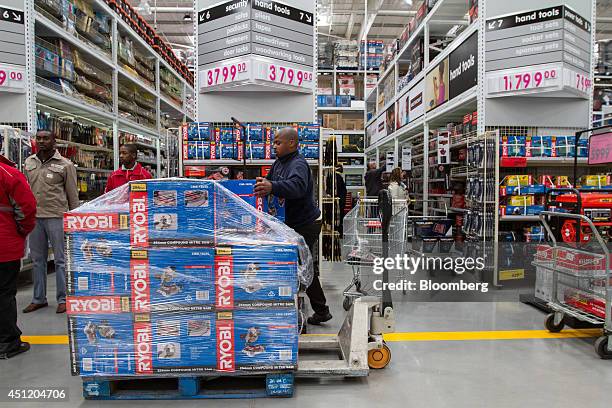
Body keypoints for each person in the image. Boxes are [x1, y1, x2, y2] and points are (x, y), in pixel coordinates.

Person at [253, 127, 331, 325]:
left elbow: (297, 187)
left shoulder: (298, 164)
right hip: (292, 223)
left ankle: (316, 309)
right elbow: (271, 181)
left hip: (307, 223)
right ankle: (318, 309)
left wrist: (273, 186)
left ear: (292, 143)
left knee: (303, 263)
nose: (274, 146)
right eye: (274, 142)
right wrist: (263, 183)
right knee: (303, 263)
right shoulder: (279, 163)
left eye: (278, 143)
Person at [23, 131, 79, 314]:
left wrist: (75, 218)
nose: (41, 141)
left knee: (61, 260)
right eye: (38, 138)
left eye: (46, 138)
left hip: (56, 216)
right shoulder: (29, 162)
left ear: (54, 142)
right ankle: (39, 298)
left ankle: (63, 299)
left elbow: (72, 195)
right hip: (35, 217)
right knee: (38, 260)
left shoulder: (65, 165)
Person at [0, 155, 36, 358]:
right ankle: (7, 342)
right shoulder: (9, 174)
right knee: (4, 294)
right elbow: (27, 208)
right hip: (4, 246)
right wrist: (22, 231)